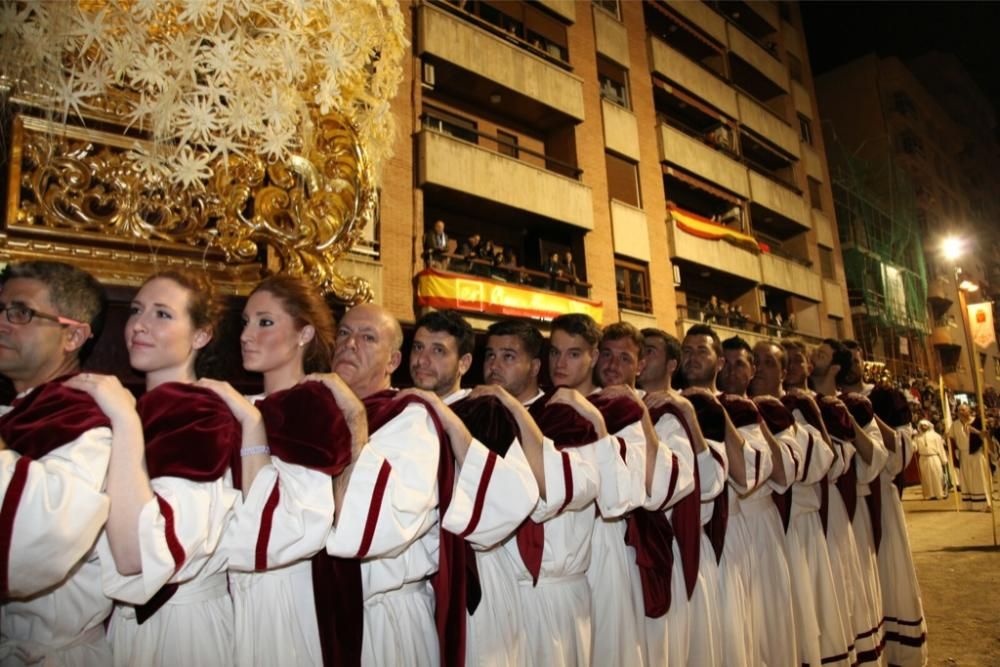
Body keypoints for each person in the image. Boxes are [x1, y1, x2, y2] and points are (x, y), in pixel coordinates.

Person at [84, 269, 245, 667]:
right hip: (123, 627)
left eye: (162, 314)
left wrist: (122, 421)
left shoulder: (200, 414)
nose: (139, 324)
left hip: (182, 632)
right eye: (137, 310)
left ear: (200, 335)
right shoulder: (129, 407)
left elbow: (139, 553)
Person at [221, 275, 367, 667]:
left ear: (304, 333)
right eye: (246, 322)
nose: (247, 335)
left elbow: (301, 522)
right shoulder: (236, 405)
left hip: (284, 592)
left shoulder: (310, 408)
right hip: (226, 592)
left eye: (265, 322)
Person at [408, 310, 542, 667]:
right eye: (418, 347)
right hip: (414, 585)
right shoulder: (400, 408)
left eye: (439, 351)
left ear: (464, 362)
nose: (422, 359)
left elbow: (517, 498)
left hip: (474, 575)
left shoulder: (485, 412)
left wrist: (453, 428)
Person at [0, 261, 113, 665]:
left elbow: (38, 544)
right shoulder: (17, 410)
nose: (3, 323)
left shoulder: (83, 422)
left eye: (21, 312)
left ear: (73, 336)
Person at [482, 318, 612, 667]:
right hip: (495, 594)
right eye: (490, 356)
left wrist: (510, 409)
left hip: (551, 593)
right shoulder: (480, 416)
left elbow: (555, 493)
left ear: (534, 367)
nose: (494, 366)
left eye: (508, 357)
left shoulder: (568, 416)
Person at [593, 322, 693, 667]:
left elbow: (667, 487)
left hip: (631, 549)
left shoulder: (660, 412)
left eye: (624, 358)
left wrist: (639, 414)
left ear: (640, 366)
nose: (611, 365)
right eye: (606, 354)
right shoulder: (582, 405)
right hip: (583, 548)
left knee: (630, 648)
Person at [751, 341, 851, 667]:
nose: (760, 368)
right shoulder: (740, 408)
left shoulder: (797, 409)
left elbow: (826, 461)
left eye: (769, 362)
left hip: (797, 526)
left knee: (803, 612)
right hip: (759, 532)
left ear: (784, 372)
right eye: (757, 361)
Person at [639, 328, 726, 667]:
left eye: (650, 351)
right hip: (631, 552)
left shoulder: (695, 408)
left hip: (678, 545)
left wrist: (688, 415)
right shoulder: (612, 405)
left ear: (672, 364)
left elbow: (710, 484)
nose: (642, 360)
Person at [679, 324, 764, 666]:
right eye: (687, 350)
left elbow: (746, 476)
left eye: (702, 350)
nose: (693, 357)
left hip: (725, 537)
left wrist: (715, 411)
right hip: (676, 540)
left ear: (719, 364)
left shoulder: (739, 410)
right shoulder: (665, 405)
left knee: (727, 634)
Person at [717, 336, 798, 667]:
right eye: (727, 362)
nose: (733, 370)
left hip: (761, 525)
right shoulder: (702, 406)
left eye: (741, 364)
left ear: (751, 371)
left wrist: (757, 421)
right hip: (725, 527)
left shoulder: (769, 413)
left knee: (766, 618)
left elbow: (782, 475)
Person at [811, 339, 887, 664]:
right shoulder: (799, 402)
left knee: (849, 590)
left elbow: (877, 456)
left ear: (836, 367)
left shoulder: (853, 405)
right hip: (813, 517)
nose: (814, 356)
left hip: (847, 513)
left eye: (822, 354)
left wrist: (846, 420)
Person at [950, 403, 991, 511]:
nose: (961, 412)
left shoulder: (977, 421)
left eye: (963, 410)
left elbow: (985, 436)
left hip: (976, 453)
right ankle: (970, 505)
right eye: (959, 410)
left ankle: (985, 504)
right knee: (967, 480)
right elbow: (950, 437)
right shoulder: (955, 424)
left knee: (979, 479)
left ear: (969, 411)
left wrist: (978, 432)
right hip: (963, 455)